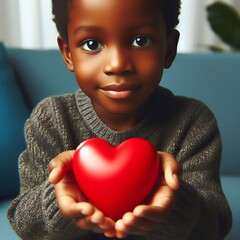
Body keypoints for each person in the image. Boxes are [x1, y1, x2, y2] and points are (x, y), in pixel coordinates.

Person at [8, 0, 232, 239]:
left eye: (140, 41)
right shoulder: (51, 119)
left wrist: (171, 198)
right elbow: (23, 223)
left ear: (168, 49)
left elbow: (214, 226)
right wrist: (61, 195)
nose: (117, 65)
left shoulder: (193, 122)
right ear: (68, 54)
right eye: (91, 44)